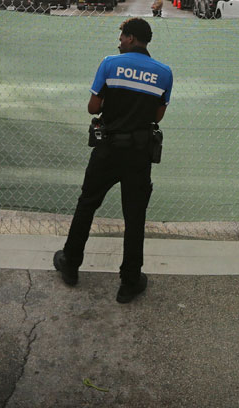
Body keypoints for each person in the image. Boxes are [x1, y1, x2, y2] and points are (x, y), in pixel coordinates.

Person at [54, 18, 173, 303]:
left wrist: (112, 105)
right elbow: (157, 115)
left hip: (107, 150)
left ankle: (71, 264)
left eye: (122, 36)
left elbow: (92, 107)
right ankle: (129, 282)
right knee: (134, 216)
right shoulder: (164, 73)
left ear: (131, 38)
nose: (119, 40)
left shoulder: (109, 64)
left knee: (87, 204)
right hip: (139, 154)